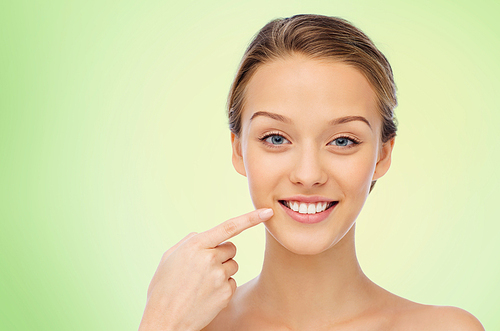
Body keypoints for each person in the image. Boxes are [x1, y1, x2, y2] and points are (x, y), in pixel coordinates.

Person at [139, 14, 484, 330]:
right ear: (237, 149)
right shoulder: (189, 325)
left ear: (382, 154)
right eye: (275, 138)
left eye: (343, 140)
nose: (308, 174)